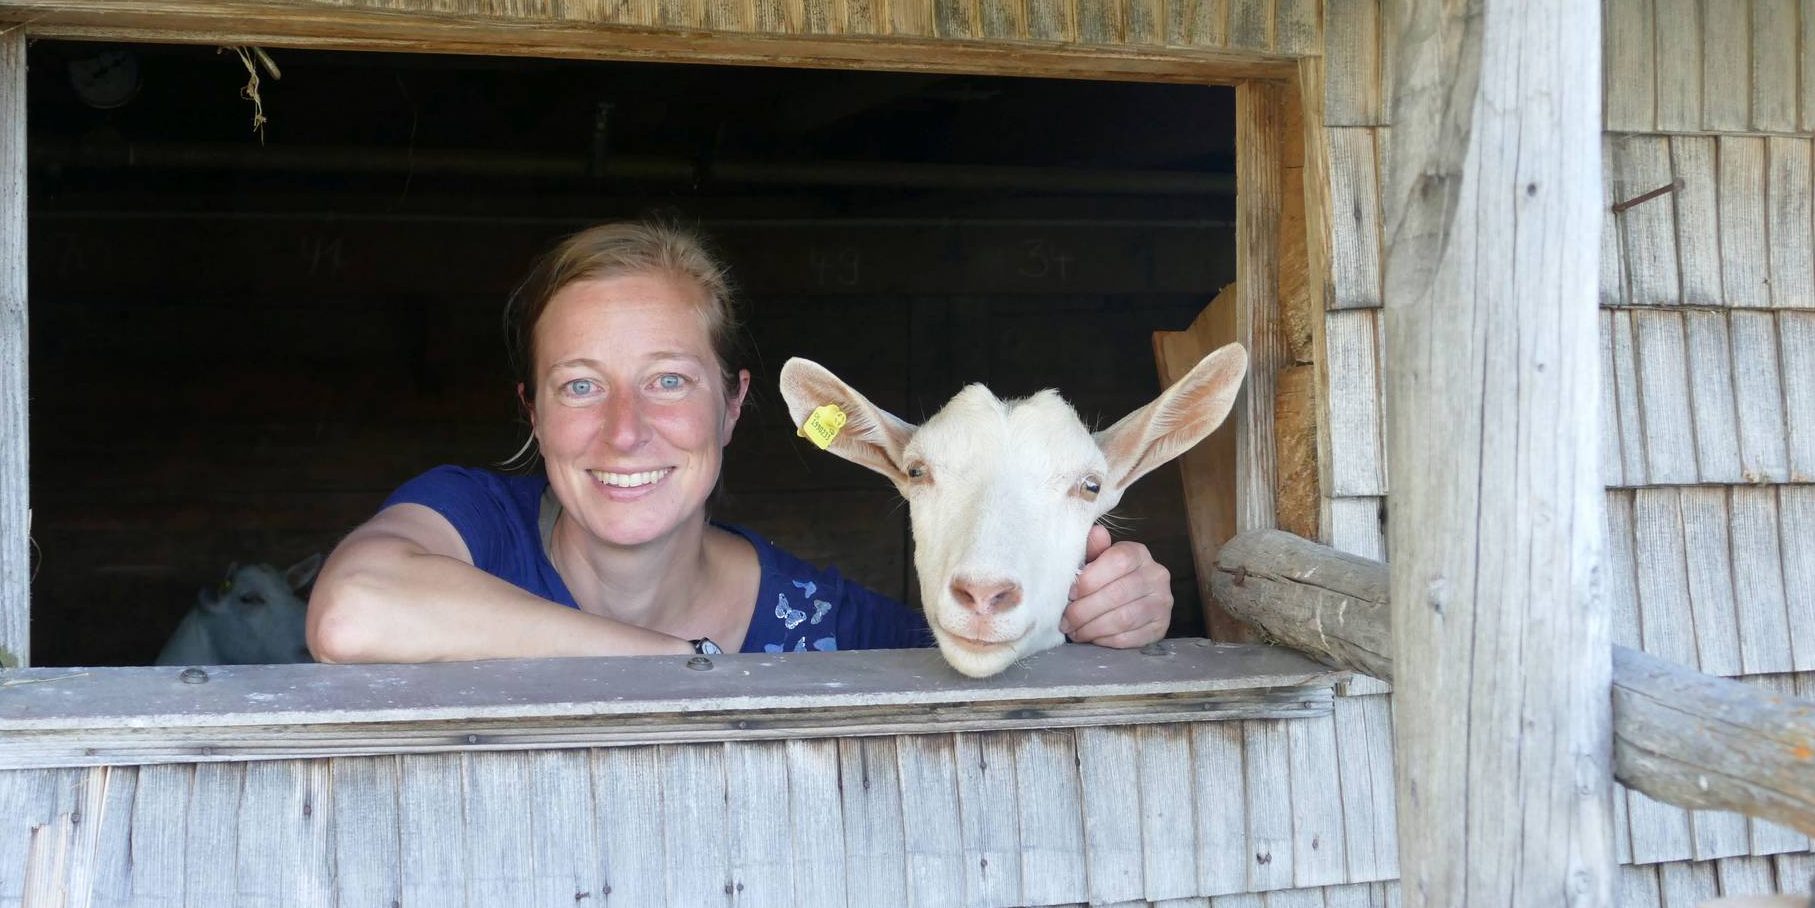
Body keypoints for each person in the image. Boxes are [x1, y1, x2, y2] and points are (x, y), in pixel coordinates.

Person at [306, 219, 1172, 663]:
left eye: (669, 381)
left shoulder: (829, 629)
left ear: (732, 406)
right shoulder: (475, 521)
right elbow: (351, 611)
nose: (625, 428)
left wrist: (1098, 612)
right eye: (580, 385)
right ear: (533, 413)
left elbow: (996, 666)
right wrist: (683, 668)